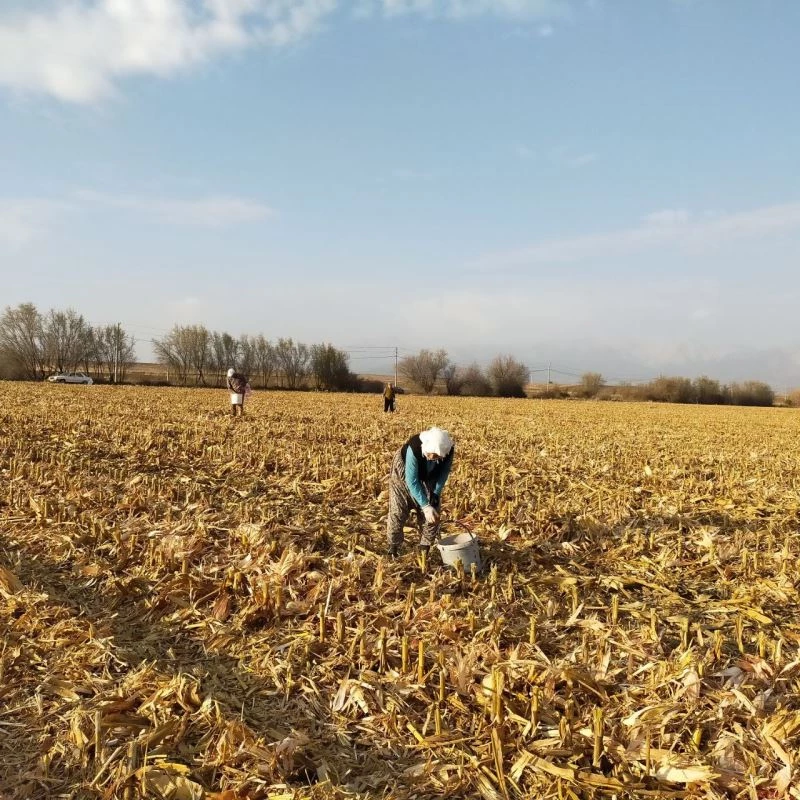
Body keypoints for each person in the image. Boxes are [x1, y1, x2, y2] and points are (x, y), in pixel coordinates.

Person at [386, 427, 454, 558]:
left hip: (430, 474)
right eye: (430, 454)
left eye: (436, 456)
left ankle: (424, 547)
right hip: (403, 472)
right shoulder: (415, 448)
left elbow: (443, 473)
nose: (431, 457)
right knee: (398, 508)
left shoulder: (448, 450)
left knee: (434, 512)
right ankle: (393, 547)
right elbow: (412, 481)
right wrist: (424, 505)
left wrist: (435, 494)